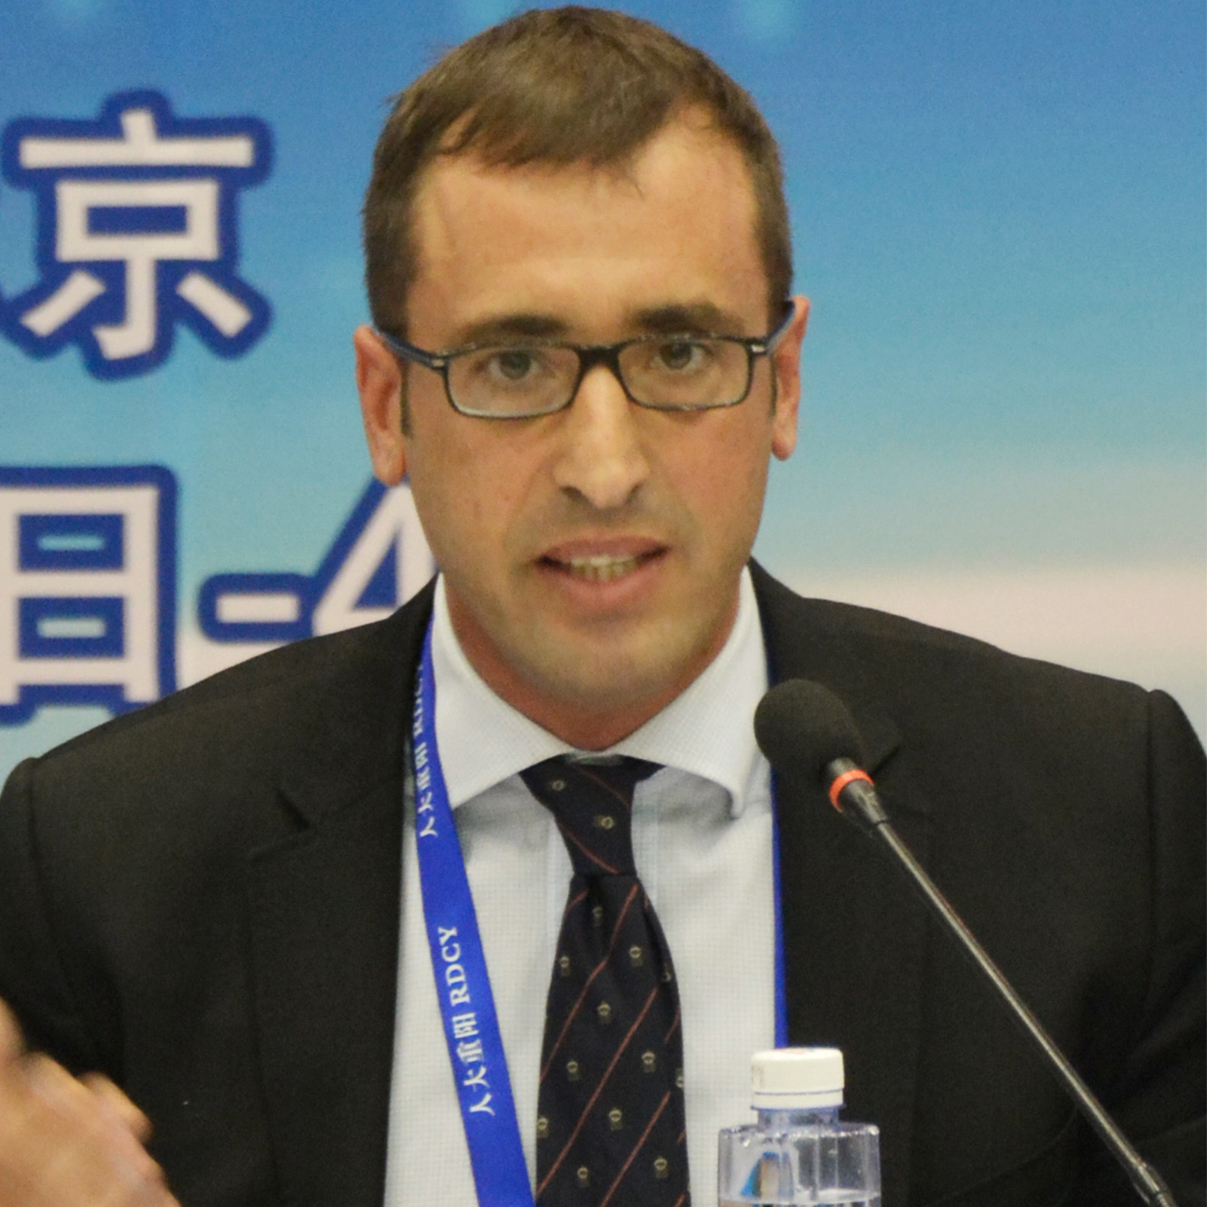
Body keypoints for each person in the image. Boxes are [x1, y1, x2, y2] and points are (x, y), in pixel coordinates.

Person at [0, 8, 1202, 1207]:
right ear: (386, 407)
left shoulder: (1101, 819)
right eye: (513, 365)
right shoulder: (105, 867)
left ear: (781, 383)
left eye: (678, 353)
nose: (604, 466)